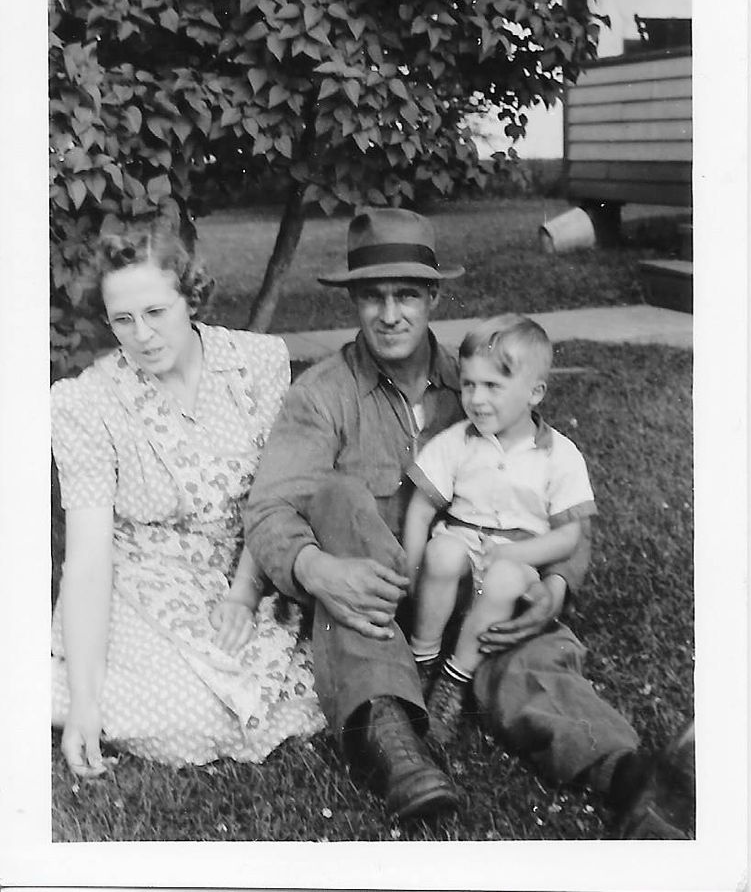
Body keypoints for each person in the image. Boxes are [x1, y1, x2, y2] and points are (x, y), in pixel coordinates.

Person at [245, 207, 694, 836]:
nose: (390, 312)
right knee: (342, 497)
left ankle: (627, 776)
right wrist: (315, 568)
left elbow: (556, 507)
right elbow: (268, 508)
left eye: (407, 294)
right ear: (353, 302)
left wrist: (559, 583)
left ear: (433, 297)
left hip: (470, 593)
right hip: (368, 598)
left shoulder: (482, 384)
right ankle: (393, 738)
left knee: (525, 659)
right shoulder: (321, 394)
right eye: (372, 296)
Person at [51, 220, 325, 776]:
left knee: (317, 684)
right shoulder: (88, 403)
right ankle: (67, 692)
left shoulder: (256, 364)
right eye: (122, 320)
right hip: (145, 580)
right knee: (192, 716)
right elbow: (87, 559)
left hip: (249, 569)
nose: (142, 336)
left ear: (190, 297)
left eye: (156, 313)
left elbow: (276, 494)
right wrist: (84, 704)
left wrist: (246, 591)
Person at [404, 315, 595, 744]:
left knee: (506, 577)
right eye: (469, 384)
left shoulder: (559, 455)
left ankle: (456, 678)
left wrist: (513, 555)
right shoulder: (458, 441)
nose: (476, 398)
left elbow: (569, 535)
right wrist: (412, 574)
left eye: (493, 386)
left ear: (535, 392)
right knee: (443, 552)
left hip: (516, 559)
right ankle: (423, 657)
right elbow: (420, 510)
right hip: (459, 547)